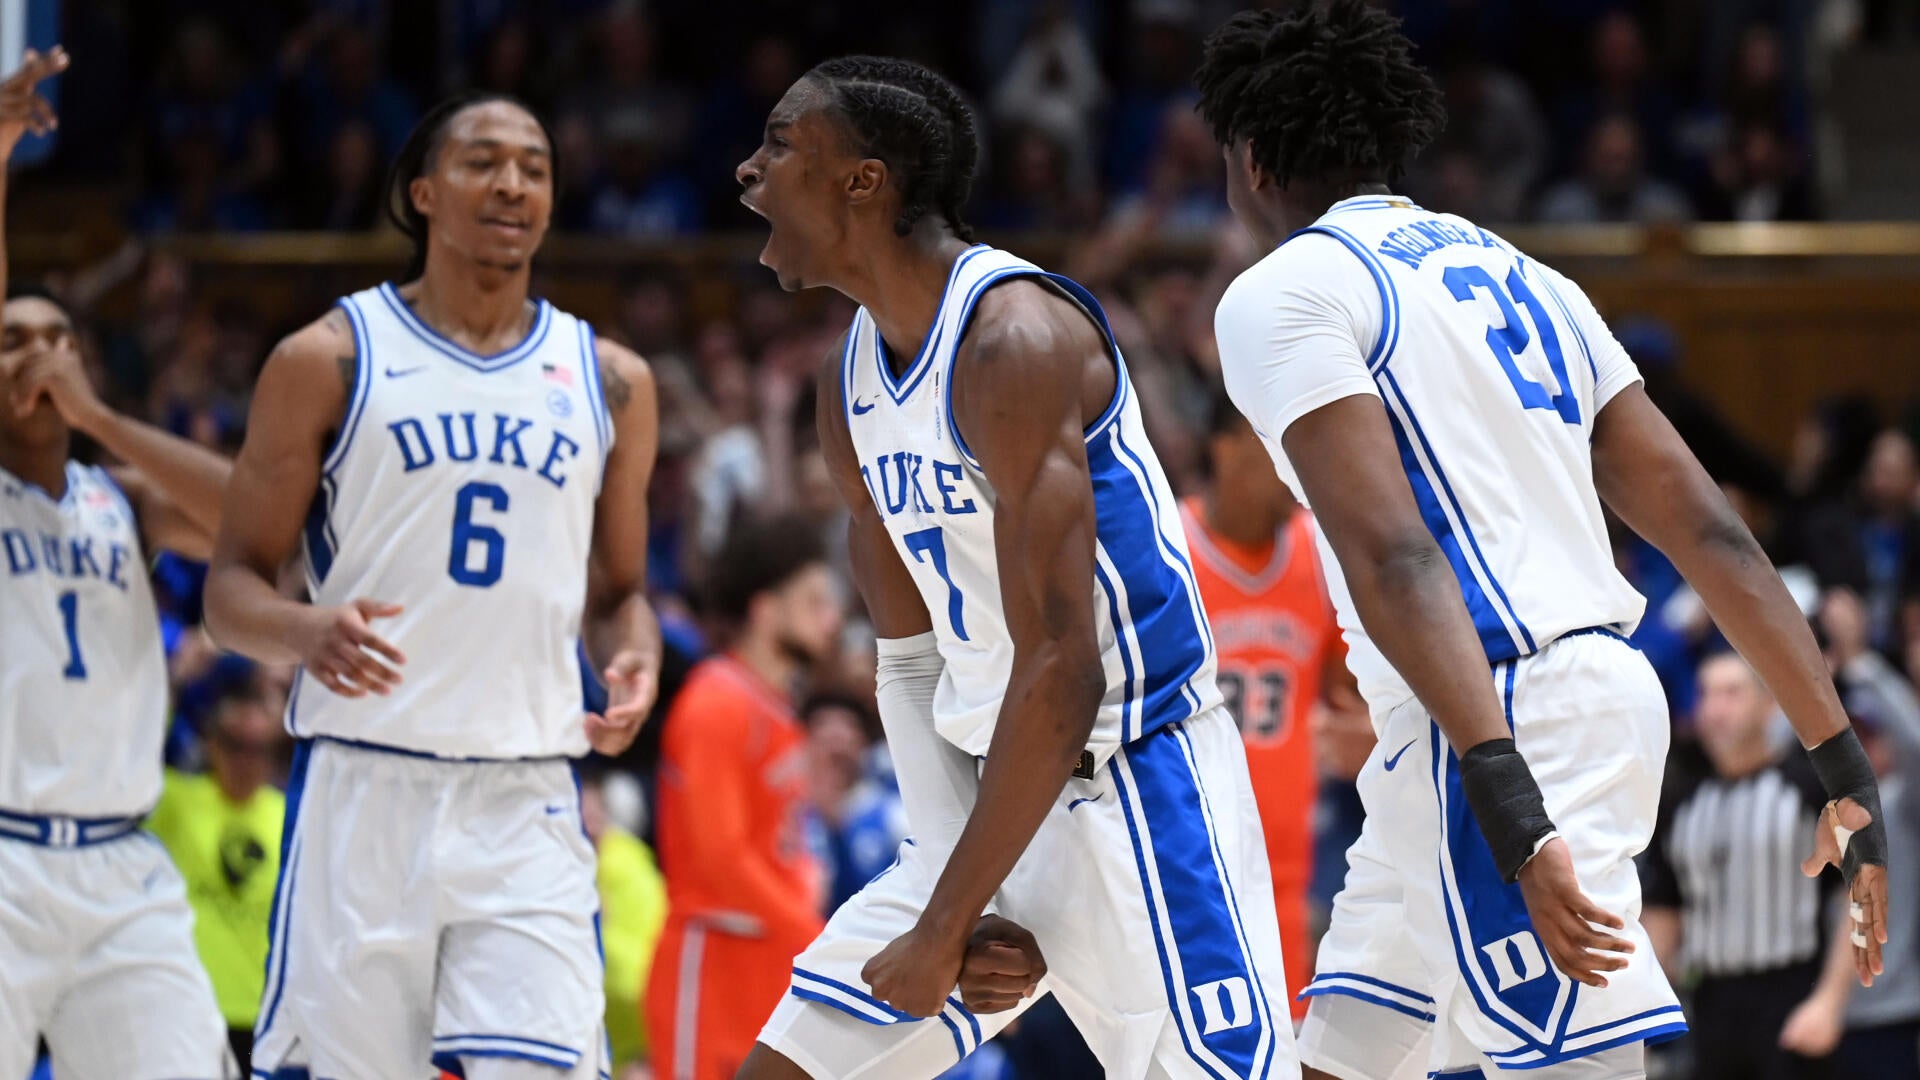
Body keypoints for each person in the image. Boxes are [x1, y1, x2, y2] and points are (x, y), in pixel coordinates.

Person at [1194, 4, 1888, 1079]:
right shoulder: (1534, 278)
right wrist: (1843, 766)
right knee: (1338, 1060)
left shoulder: (1281, 292)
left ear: (1250, 160)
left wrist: (1511, 805)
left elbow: (1398, 557)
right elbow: (1712, 531)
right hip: (1514, 718)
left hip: (1504, 722)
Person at [733, 54, 1293, 1080]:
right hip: (988, 804)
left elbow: (1067, 669)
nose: (747, 170)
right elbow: (908, 660)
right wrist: (966, 899)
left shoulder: (1015, 340)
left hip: (1136, 793)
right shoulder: (844, 381)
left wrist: (947, 921)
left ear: (863, 180)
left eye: (778, 144)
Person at [203, 91, 663, 1080]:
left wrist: (635, 658)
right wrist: (303, 631)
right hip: (363, 789)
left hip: (526, 794)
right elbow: (229, 589)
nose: (512, 185)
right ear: (422, 192)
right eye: (483, 162)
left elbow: (621, 594)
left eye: (534, 167)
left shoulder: (612, 379)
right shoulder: (325, 360)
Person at [0, 47, 240, 1080]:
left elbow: (258, 517)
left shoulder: (124, 501)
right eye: (12, 339)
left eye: (58, 339)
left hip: (121, 867)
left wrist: (98, 421)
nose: (38, 354)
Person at [1180, 388, 1367, 1018]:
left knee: (1283, 1042)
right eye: (1281, 447)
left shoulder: (1320, 552)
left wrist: (1368, 733)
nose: (1299, 467)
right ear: (1226, 448)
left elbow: (1354, 699)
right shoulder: (1165, 550)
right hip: (1185, 854)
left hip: (1284, 862)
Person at [646, 514, 840, 1080]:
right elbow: (722, 855)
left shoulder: (776, 708)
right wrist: (815, 936)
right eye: (813, 601)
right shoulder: (716, 701)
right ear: (765, 610)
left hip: (773, 961)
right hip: (714, 958)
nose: (831, 619)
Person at [1640, 653, 1856, 1080]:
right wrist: (1640, 1018)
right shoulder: (1682, 804)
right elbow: (1664, 914)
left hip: (1793, 996)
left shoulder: (1810, 789)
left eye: (1731, 693)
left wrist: (1830, 1001)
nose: (1715, 709)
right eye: (1706, 694)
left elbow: (1860, 893)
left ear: (1769, 703)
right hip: (1710, 1003)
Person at [147, 677, 291, 1069]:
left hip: (265, 1016)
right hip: (185, 1007)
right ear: (211, 742)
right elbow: (136, 750)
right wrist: (177, 677)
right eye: (234, 744)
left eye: (259, 749)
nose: (246, 760)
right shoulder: (175, 801)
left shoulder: (289, 818)